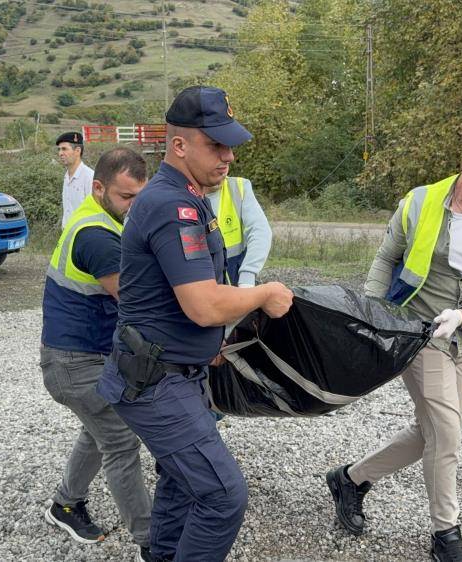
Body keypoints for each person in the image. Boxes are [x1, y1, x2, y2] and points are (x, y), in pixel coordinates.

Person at [325, 117, 462, 561]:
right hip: (417, 333)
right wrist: (371, 314)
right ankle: (446, 535)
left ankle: (350, 478)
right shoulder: (419, 202)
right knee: (446, 433)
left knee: (432, 432)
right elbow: (386, 259)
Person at [96, 86, 294, 562]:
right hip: (156, 382)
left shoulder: (190, 196)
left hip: (176, 373)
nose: (228, 156)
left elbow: (177, 296)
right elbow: (202, 304)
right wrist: (264, 294)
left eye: (230, 145)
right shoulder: (172, 205)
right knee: (223, 496)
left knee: (183, 482)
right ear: (180, 145)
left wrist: (210, 345)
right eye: (216, 145)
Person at [40, 146, 153, 560]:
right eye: (126, 196)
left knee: (98, 430)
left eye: (140, 196)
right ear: (99, 188)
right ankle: (151, 542)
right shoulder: (96, 235)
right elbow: (138, 303)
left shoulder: (106, 219)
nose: (134, 205)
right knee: (120, 440)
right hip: (73, 364)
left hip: (87, 356)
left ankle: (65, 504)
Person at [203, 172, 271, 287]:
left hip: (235, 276)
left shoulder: (238, 187)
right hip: (201, 279)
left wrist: (247, 276)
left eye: (226, 165)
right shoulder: (183, 194)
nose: (223, 171)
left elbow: (260, 231)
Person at [57, 131, 93, 228]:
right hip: (67, 232)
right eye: (59, 149)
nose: (60, 153)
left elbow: (93, 212)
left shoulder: (89, 177)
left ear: (77, 151)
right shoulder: (66, 177)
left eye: (64, 149)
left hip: (83, 232)